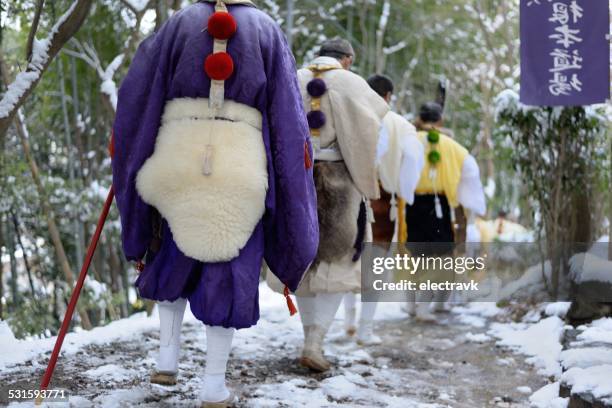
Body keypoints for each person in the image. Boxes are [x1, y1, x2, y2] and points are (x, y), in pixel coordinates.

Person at [112, 1, 318, 406]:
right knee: (228, 269)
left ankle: (166, 360)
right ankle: (212, 386)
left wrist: (133, 145)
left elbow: (139, 92)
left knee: (169, 255)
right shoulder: (266, 28)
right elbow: (288, 117)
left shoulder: (179, 23)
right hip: (240, 165)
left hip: (176, 156)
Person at [294, 38, 388, 371]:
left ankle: (308, 337)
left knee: (301, 261)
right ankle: (314, 342)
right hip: (340, 181)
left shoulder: (295, 77)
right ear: (347, 60)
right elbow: (374, 128)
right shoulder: (351, 82)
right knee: (340, 260)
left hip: (297, 178)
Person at [343, 74, 425, 345]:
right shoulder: (400, 124)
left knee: (347, 257)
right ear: (388, 95)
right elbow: (413, 158)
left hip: (348, 194)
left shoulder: (349, 114)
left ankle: (349, 321)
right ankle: (365, 329)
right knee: (374, 264)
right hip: (382, 201)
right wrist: (405, 192)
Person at [403, 102, 486, 321]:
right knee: (437, 257)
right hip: (438, 205)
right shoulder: (453, 147)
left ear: (419, 119)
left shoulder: (408, 142)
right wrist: (471, 205)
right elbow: (471, 173)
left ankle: (411, 305)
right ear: (440, 121)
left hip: (409, 204)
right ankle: (423, 306)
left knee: (413, 254)